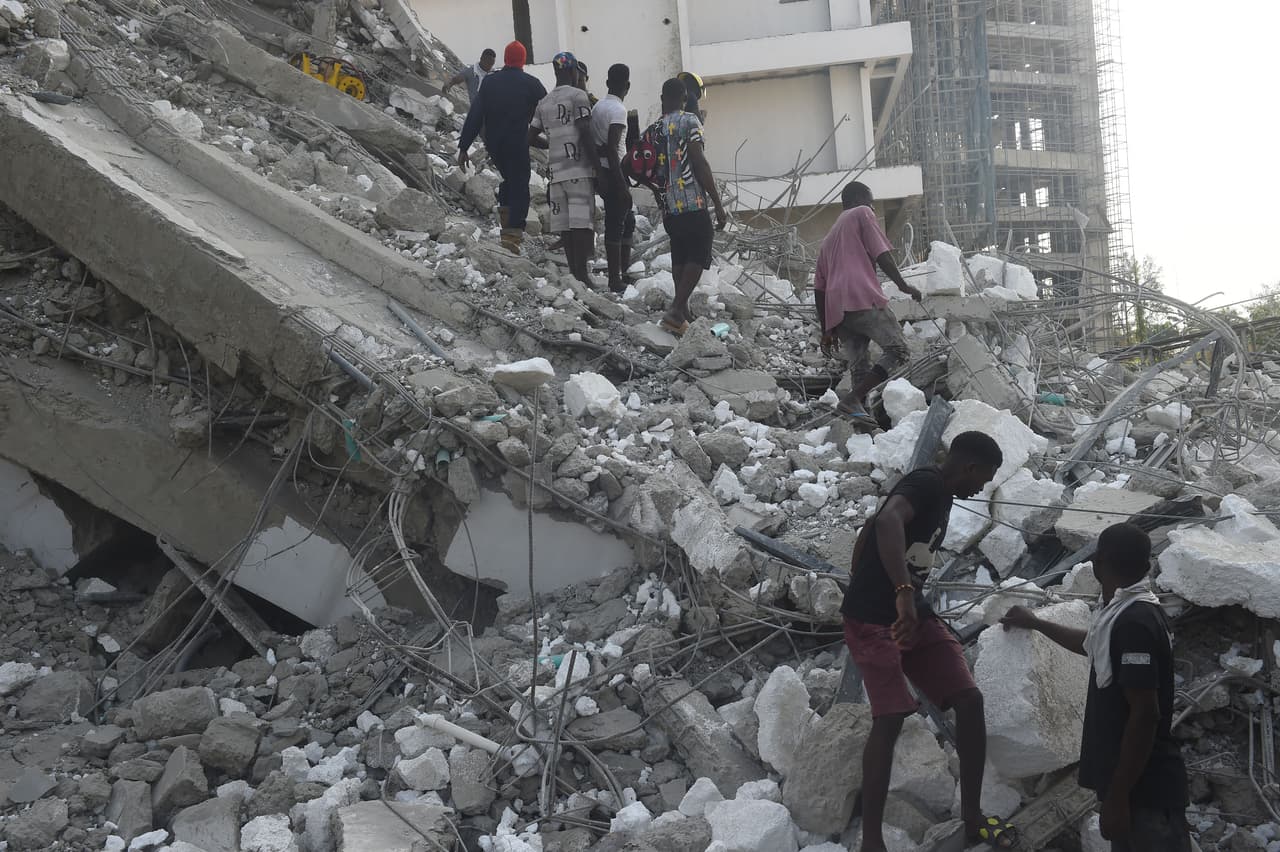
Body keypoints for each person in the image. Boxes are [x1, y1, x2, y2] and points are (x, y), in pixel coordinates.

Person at [842, 431, 1017, 851]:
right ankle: (872, 842)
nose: (982, 488)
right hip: (872, 617)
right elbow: (885, 522)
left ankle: (972, 818)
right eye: (984, 478)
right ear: (970, 467)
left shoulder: (943, 496)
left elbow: (872, 531)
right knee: (891, 718)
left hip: (912, 612)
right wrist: (900, 591)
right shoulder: (927, 484)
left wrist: (907, 598)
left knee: (969, 700)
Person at [1000, 524, 1190, 851]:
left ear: (1098, 562)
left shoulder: (1134, 623)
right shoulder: (1123, 613)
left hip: (1144, 792)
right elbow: (1094, 644)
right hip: (1132, 788)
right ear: (1146, 568)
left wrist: (1117, 797)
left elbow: (1145, 715)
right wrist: (1036, 622)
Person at [814, 181, 923, 424]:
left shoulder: (828, 240)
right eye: (870, 203)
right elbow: (881, 253)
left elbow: (818, 289)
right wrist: (903, 285)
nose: (872, 209)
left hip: (838, 311)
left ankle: (862, 427)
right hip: (861, 296)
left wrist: (826, 330)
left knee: (860, 368)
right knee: (898, 350)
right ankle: (852, 400)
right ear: (856, 201)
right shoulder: (861, 213)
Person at [652, 77, 726, 336]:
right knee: (701, 247)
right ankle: (675, 308)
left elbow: (635, 164)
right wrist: (717, 202)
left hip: (669, 206)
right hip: (692, 201)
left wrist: (658, 194)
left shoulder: (655, 128)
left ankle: (681, 311)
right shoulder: (689, 121)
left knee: (680, 252)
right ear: (684, 98)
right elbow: (698, 161)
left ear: (663, 99)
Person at [458, 41, 546, 254]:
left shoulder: (489, 82)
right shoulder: (532, 84)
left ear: (505, 58)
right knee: (520, 186)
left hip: (495, 145)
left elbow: (475, 115)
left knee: (509, 181)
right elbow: (549, 110)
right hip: (517, 143)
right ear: (523, 60)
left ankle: (506, 226)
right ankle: (512, 237)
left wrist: (463, 147)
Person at [529, 52, 597, 287]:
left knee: (566, 226)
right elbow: (585, 130)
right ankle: (582, 276)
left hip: (555, 173)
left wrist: (552, 143)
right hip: (578, 170)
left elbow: (529, 136)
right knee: (581, 224)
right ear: (573, 71)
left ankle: (573, 274)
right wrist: (597, 165)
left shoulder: (543, 102)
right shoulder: (579, 96)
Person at [592, 63, 636, 294]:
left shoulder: (598, 106)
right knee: (617, 224)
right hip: (615, 173)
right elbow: (612, 147)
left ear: (607, 82)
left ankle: (623, 272)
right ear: (627, 86)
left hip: (605, 171)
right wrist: (622, 184)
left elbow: (598, 145)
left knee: (627, 222)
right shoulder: (618, 111)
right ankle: (614, 279)